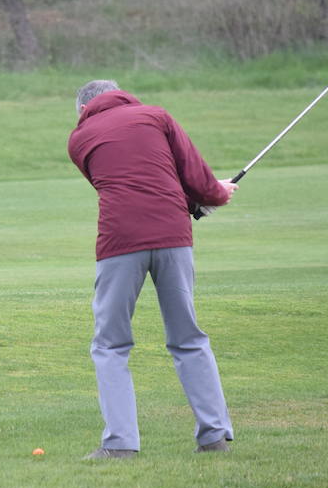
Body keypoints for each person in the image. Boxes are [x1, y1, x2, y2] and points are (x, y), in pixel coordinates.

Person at [67, 80, 238, 458]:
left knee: (110, 344)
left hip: (119, 241)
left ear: (83, 109)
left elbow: (118, 182)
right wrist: (215, 194)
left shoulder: (78, 139)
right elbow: (191, 174)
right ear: (121, 94)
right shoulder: (156, 116)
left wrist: (201, 194)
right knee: (188, 337)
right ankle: (214, 436)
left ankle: (120, 444)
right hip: (174, 235)